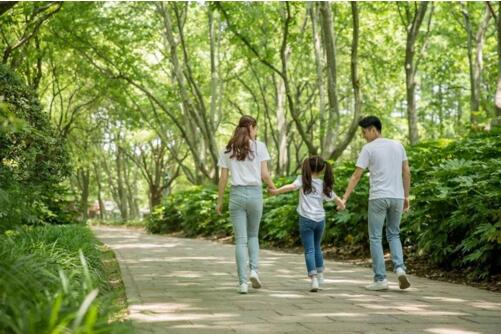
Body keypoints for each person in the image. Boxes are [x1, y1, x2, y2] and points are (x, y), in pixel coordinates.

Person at [341, 115, 411, 291]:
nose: (363, 136)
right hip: (397, 196)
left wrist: (345, 197)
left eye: (364, 132)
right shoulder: (398, 145)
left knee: (375, 237)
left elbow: (356, 175)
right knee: (394, 234)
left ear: (373, 129)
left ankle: (381, 279)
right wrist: (406, 196)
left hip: (378, 197)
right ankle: (400, 269)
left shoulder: (369, 148)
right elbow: (406, 172)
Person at [216, 115, 276, 294]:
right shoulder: (259, 147)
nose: (257, 133)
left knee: (240, 241)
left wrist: (219, 201)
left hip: (236, 196)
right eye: (256, 129)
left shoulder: (227, 149)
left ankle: (242, 283)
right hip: (255, 194)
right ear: (251, 128)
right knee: (253, 236)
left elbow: (223, 178)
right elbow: (265, 175)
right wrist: (273, 188)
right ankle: (254, 271)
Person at [270, 156, 345, 292]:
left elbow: (291, 187)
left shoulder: (303, 180)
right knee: (317, 247)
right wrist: (341, 205)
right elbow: (335, 198)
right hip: (320, 220)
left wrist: (276, 191)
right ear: (322, 170)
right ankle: (321, 274)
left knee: (309, 249)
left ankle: (314, 278)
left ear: (308, 168)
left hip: (306, 220)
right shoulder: (323, 184)